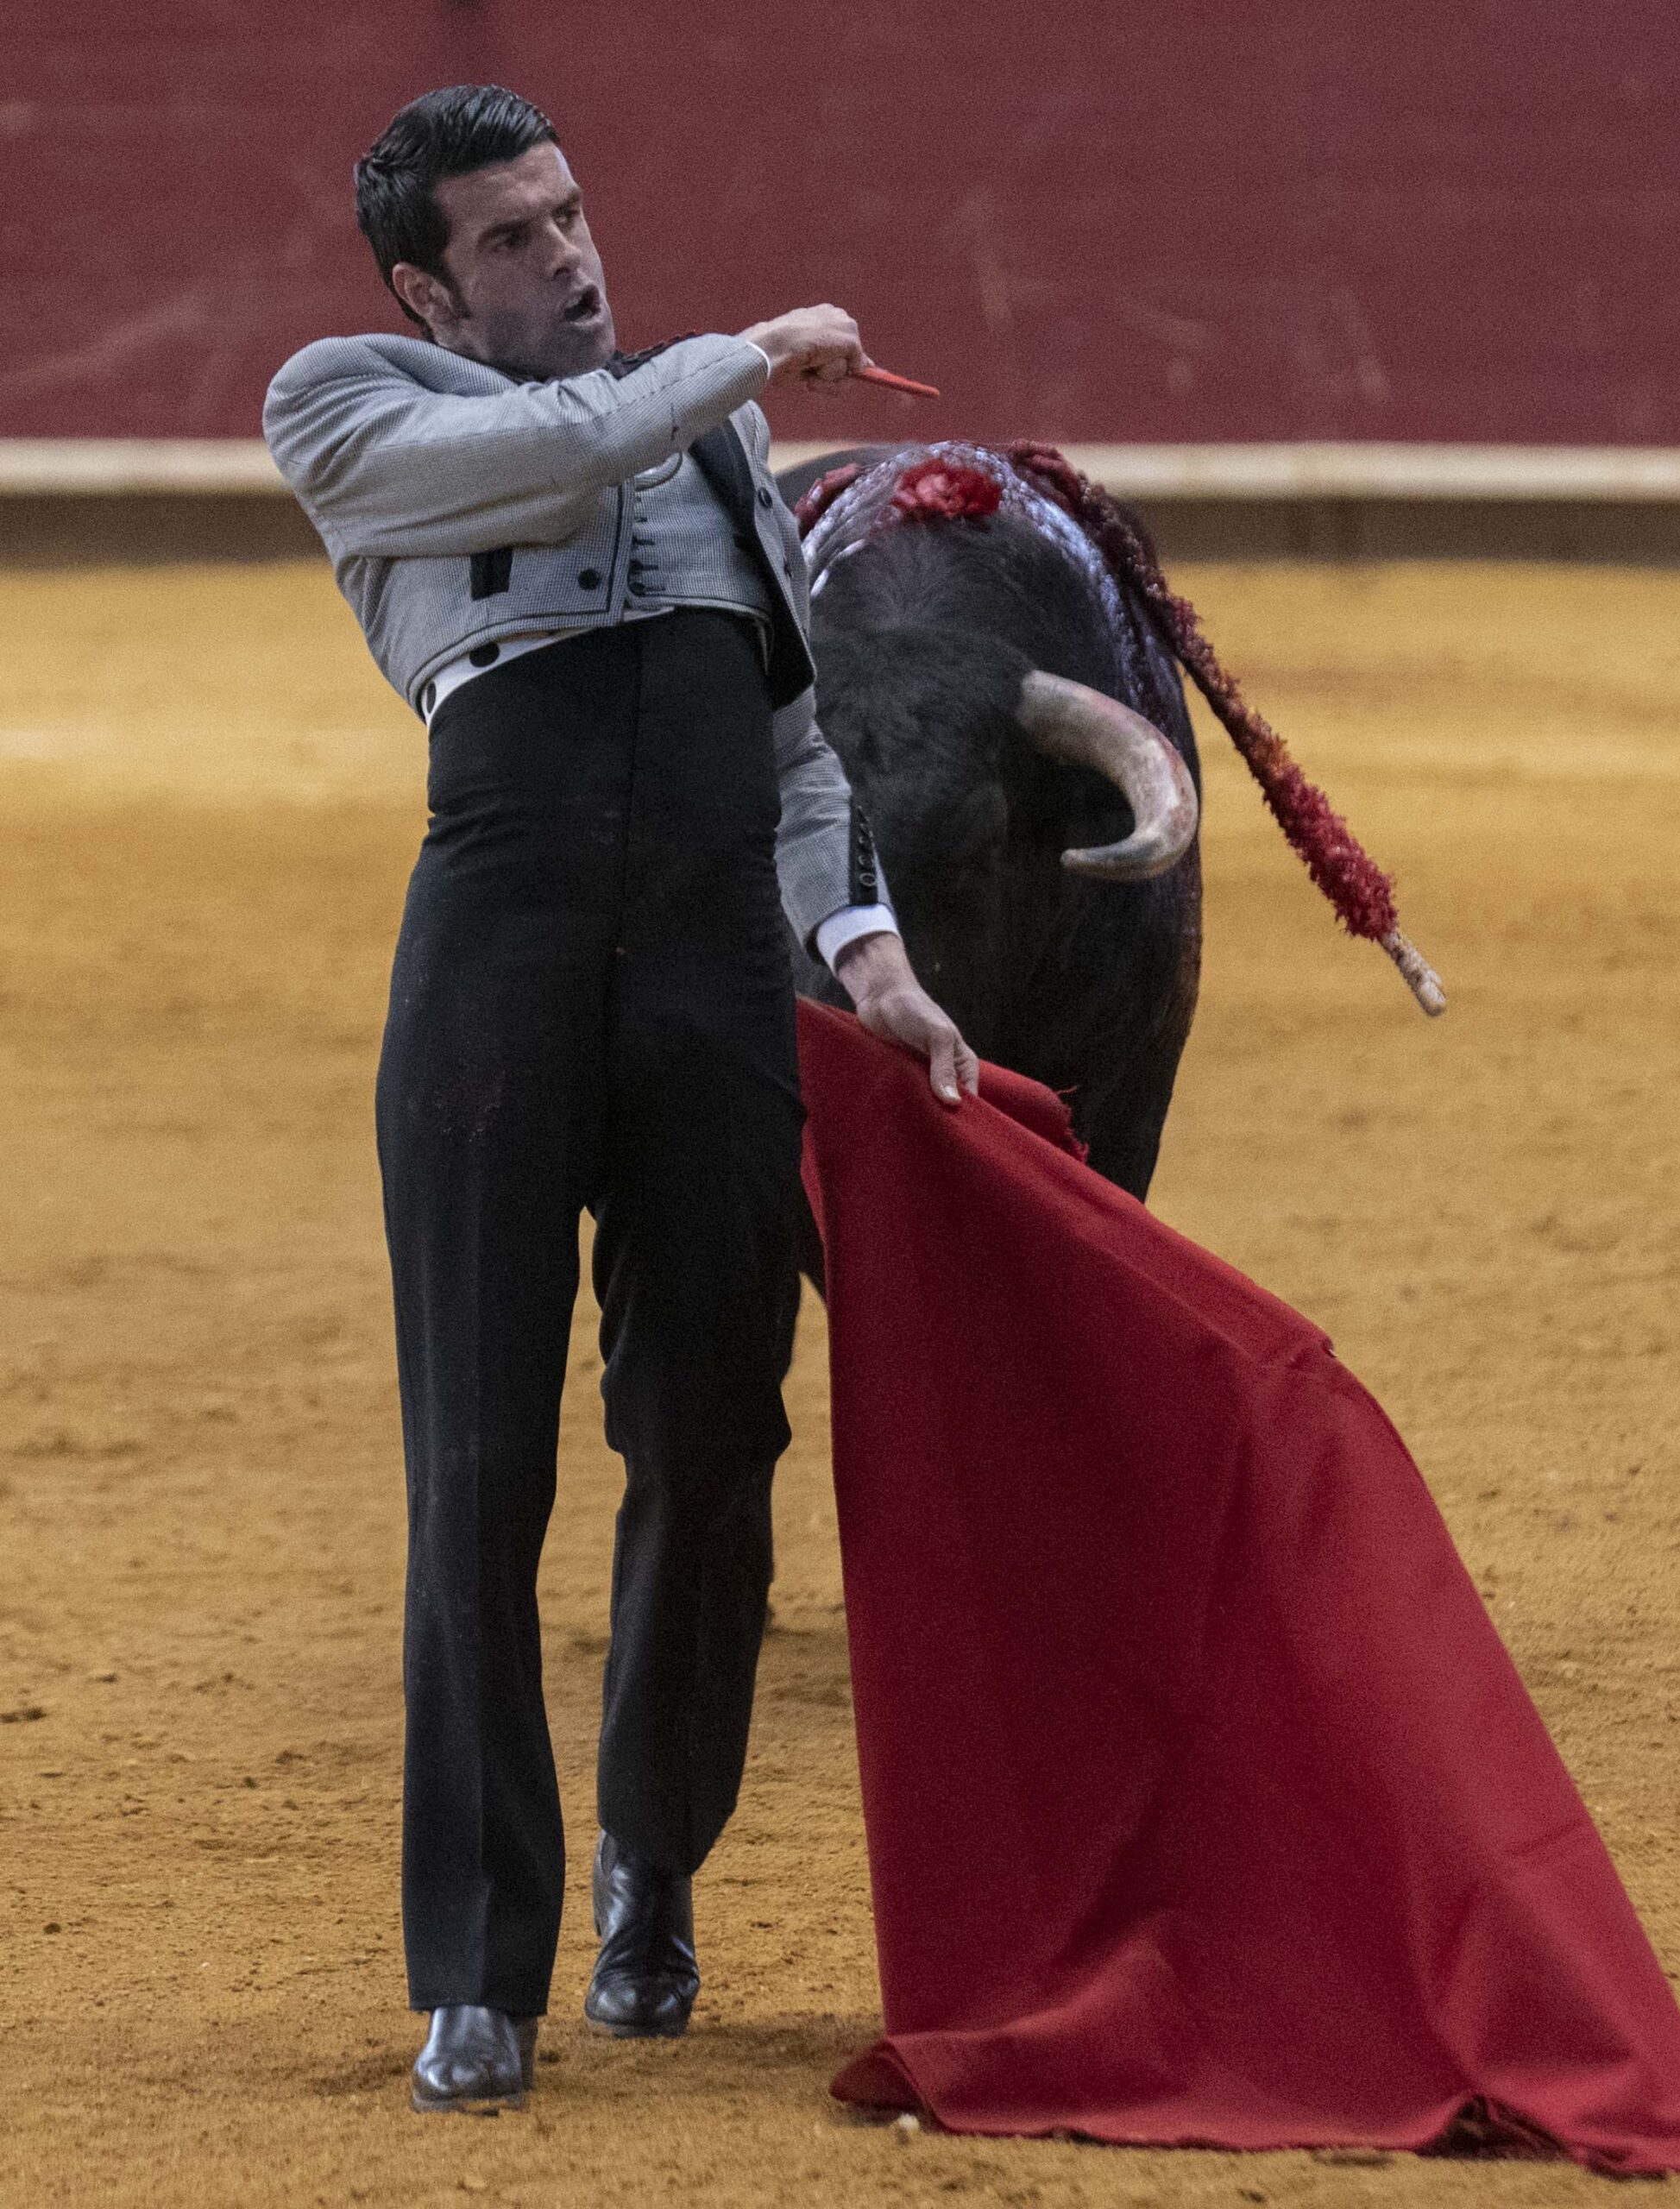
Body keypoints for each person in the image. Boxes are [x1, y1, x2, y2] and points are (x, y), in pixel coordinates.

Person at [262, 83, 978, 2113]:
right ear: (427, 283)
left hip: (702, 972)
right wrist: (738, 358)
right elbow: (554, 444)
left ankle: (649, 1864)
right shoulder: (340, 401)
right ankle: (474, 1963)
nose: (565, 255)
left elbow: (802, 746)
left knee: (711, 1433)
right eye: (509, 239)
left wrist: (868, 955)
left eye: (567, 214)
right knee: (479, 1464)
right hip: (492, 955)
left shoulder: (709, 418)